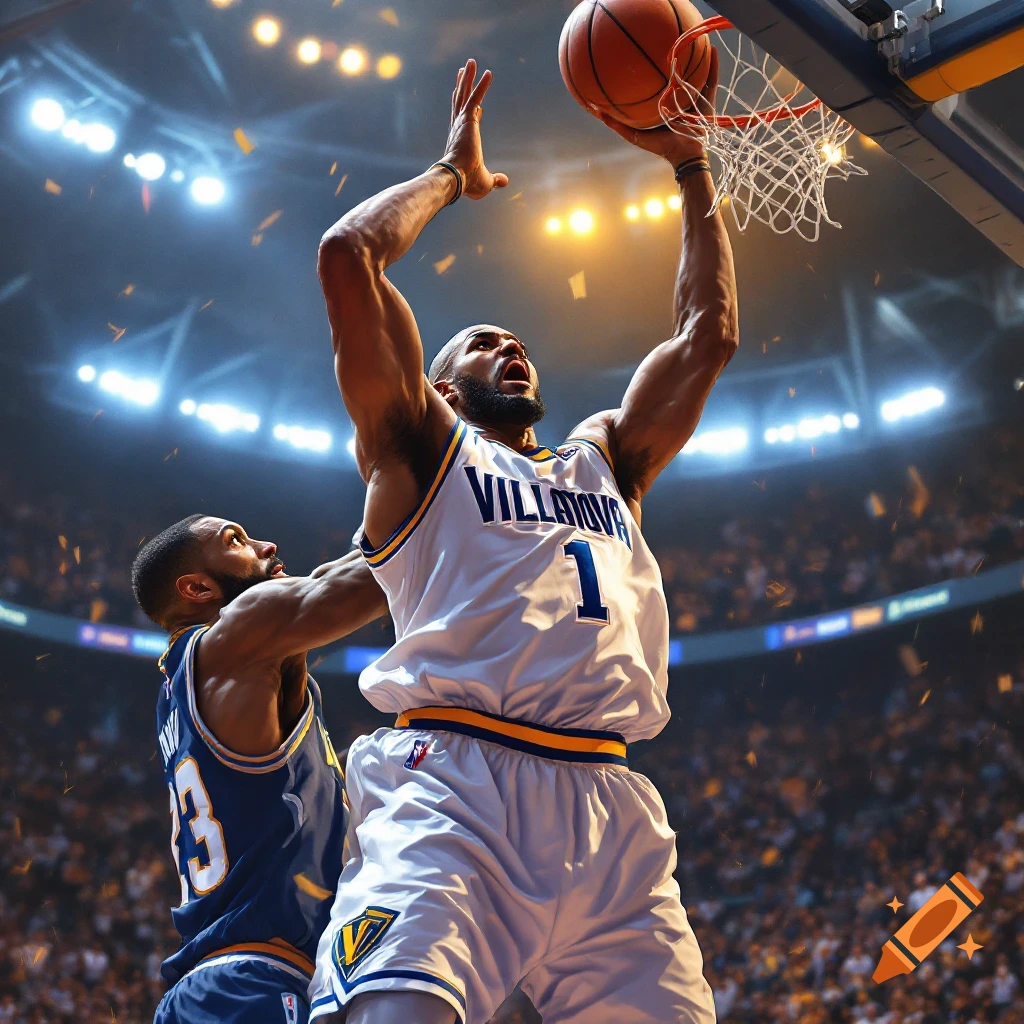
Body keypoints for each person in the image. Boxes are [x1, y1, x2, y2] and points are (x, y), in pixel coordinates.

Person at [310, 54, 736, 1024]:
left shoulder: (604, 460)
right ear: (441, 385)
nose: (512, 348)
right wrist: (451, 176)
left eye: (520, 343)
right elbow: (347, 255)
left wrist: (691, 167)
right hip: (454, 790)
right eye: (485, 342)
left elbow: (707, 336)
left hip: (610, 805)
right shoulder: (423, 446)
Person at [131, 514, 388, 1024]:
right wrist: (459, 494)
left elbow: (337, 575)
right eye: (237, 541)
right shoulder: (231, 643)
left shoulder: (198, 676)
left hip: (227, 982)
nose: (267, 544)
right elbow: (367, 578)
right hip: (254, 983)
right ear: (198, 588)